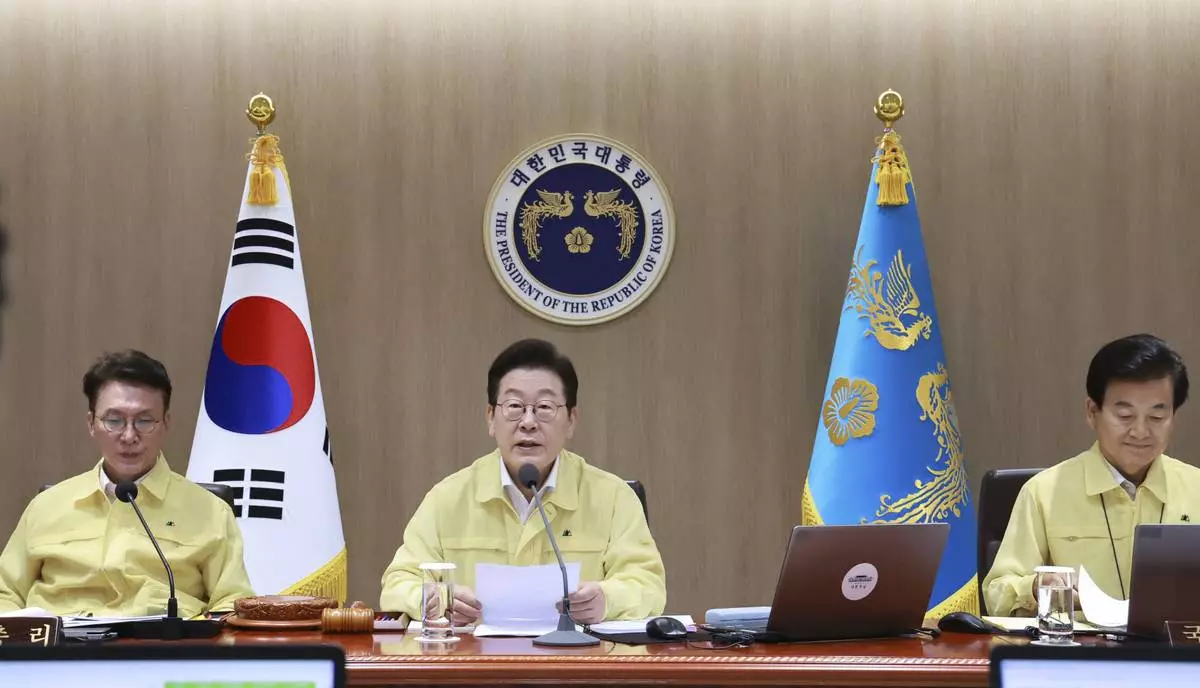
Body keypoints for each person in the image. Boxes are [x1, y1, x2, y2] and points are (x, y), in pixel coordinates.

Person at [381, 339, 666, 624]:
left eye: (544, 407)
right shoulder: (448, 498)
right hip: (476, 652)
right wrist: (435, 600)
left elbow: (648, 584)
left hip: (577, 651)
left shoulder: (613, 498)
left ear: (571, 420)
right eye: (515, 406)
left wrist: (607, 600)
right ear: (491, 418)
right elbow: (398, 582)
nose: (528, 422)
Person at [0, 350, 255, 616]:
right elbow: (6, 594)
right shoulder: (46, 507)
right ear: (91, 423)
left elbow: (232, 604)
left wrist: (194, 637)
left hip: (162, 641)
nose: (129, 436)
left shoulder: (210, 512)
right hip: (60, 639)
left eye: (144, 421)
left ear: (166, 423)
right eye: (114, 421)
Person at [983, 334, 1200, 616]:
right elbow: (996, 594)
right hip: (1080, 643)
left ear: (1173, 417)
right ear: (1092, 412)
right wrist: (1036, 587)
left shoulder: (1195, 488)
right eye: (1125, 416)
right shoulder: (1044, 492)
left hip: (1178, 643)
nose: (1140, 431)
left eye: (1157, 417)